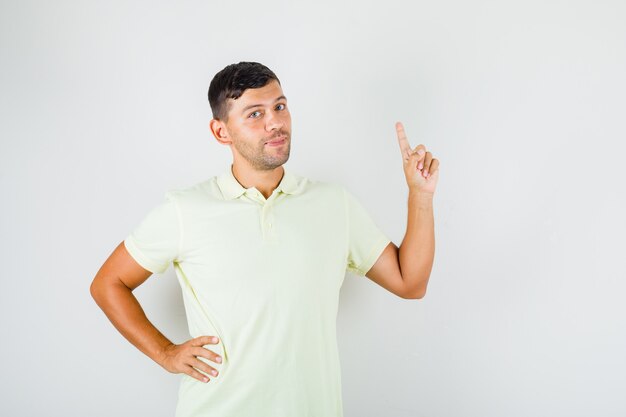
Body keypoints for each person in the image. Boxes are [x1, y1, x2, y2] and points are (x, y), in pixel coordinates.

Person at [90, 61, 439, 417]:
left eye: (280, 107)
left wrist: (420, 195)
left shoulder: (334, 204)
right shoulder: (185, 209)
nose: (275, 122)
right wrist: (165, 353)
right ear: (221, 132)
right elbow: (108, 283)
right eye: (255, 113)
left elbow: (410, 282)